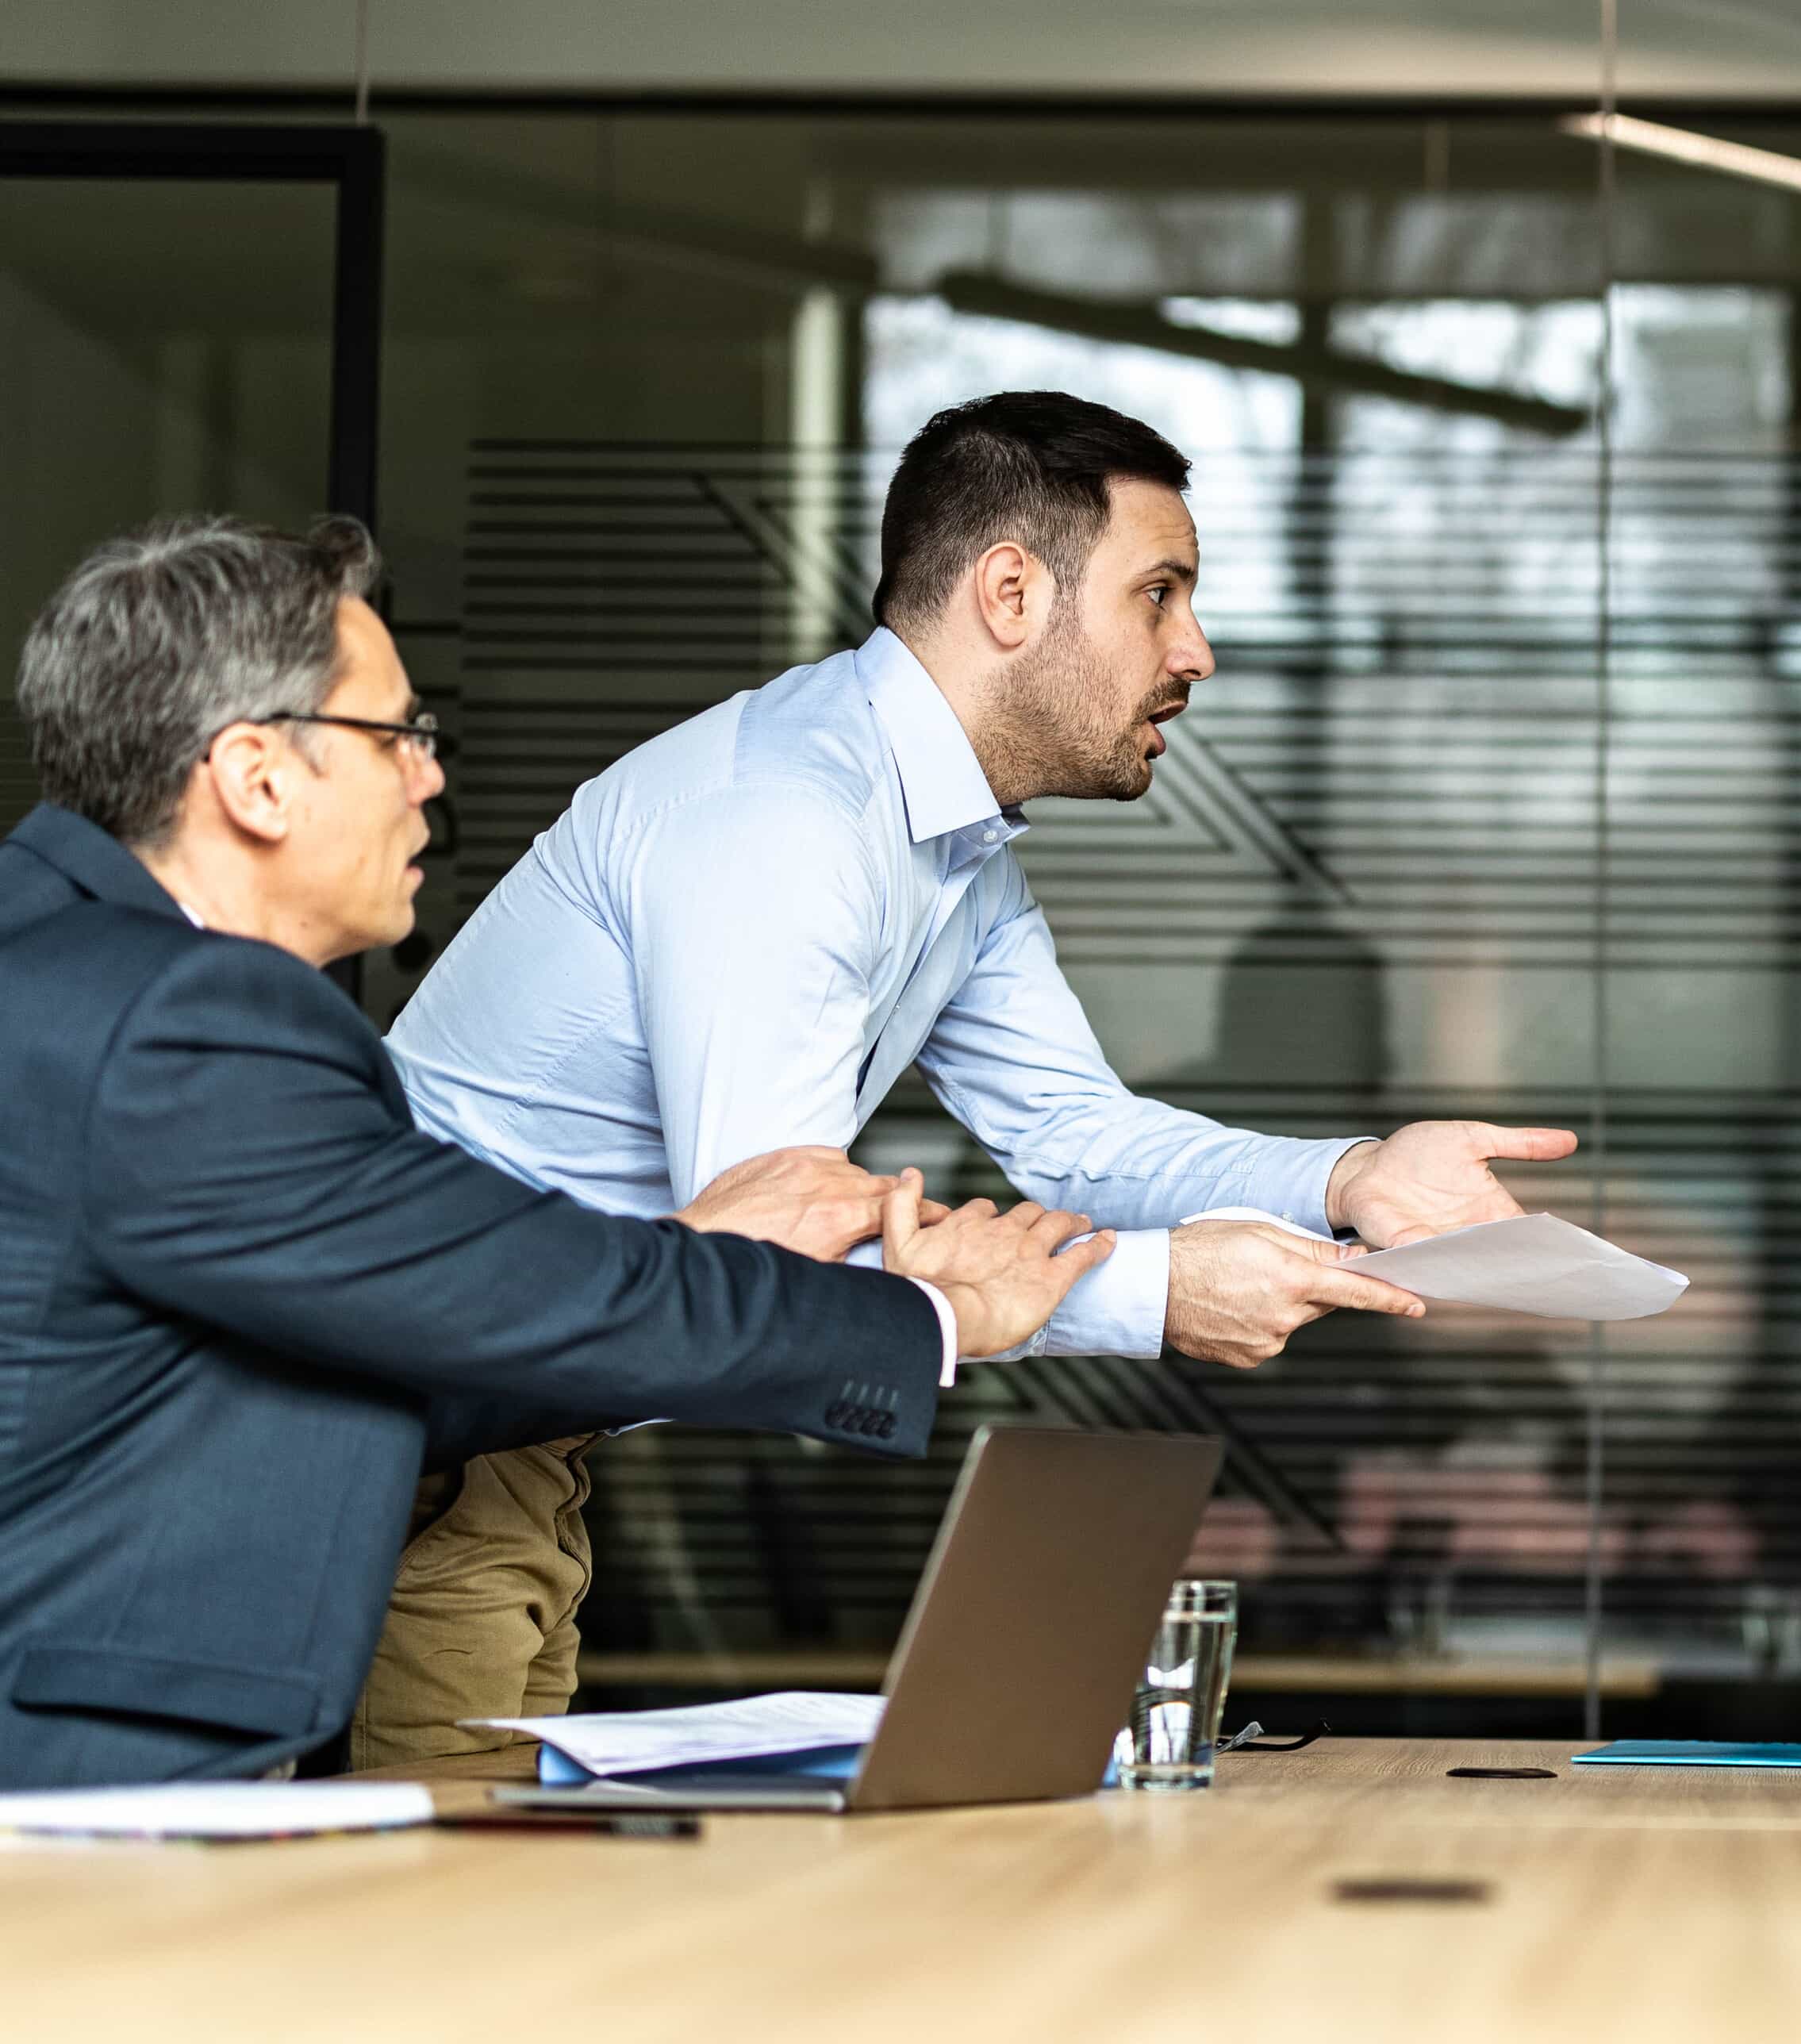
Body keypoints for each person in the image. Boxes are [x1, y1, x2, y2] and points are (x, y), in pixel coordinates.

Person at [374, 390, 1576, 1760]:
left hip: (521, 1441)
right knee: (425, 1928)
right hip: (406, 1438)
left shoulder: (951, 852)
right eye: (1160, 592)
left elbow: (1074, 1135)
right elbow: (768, 1273)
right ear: (1011, 591)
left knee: (495, 1907)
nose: (1198, 649)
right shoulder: (788, 822)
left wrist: (1354, 1178)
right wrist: (1160, 1292)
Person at [0, 516, 1112, 1788]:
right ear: (256, 776)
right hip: (66, 1805)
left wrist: (684, 1252)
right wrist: (931, 1318)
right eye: (398, 736)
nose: (430, 776)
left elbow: (392, 1363)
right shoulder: (186, 1023)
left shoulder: (57, 966)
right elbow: (518, 1295)